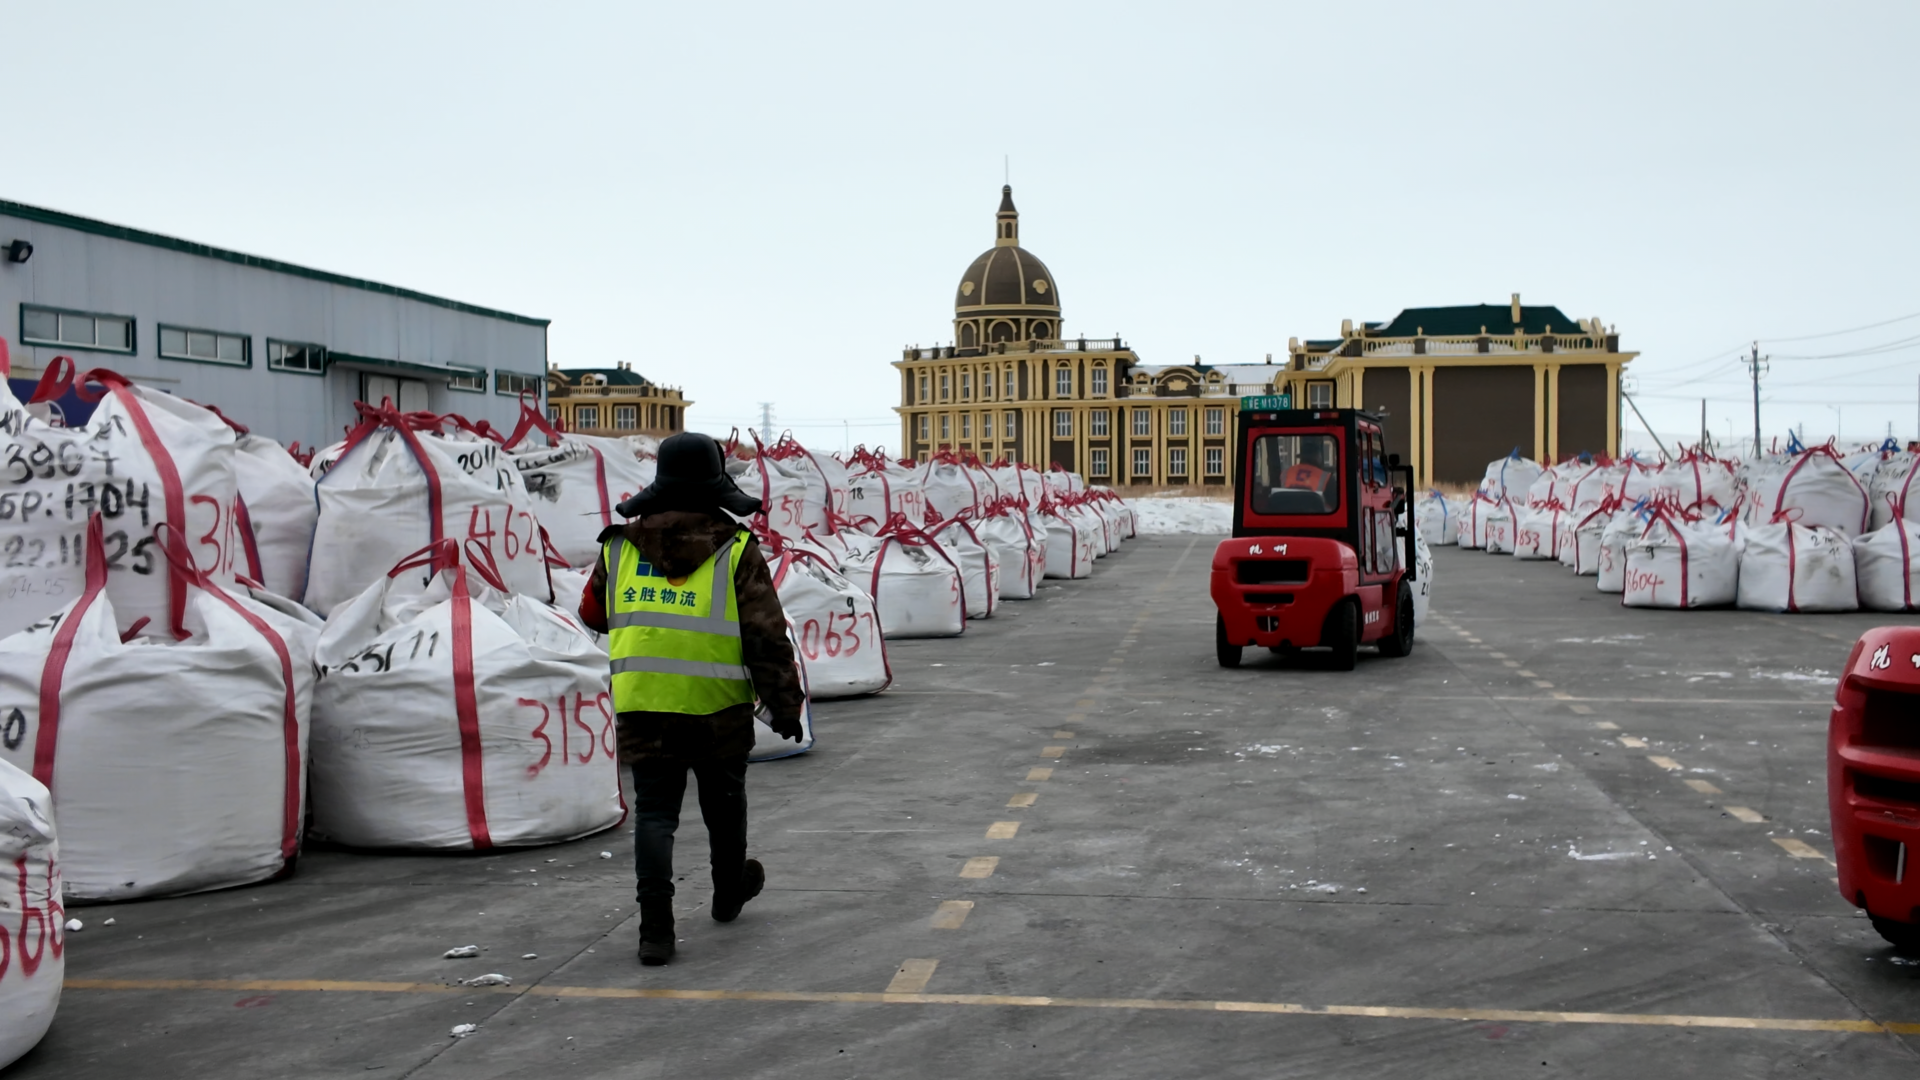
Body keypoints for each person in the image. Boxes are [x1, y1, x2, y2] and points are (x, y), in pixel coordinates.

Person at [578, 432, 805, 967]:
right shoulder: (736, 549)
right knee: (723, 805)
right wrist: (785, 704)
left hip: (642, 702)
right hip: (717, 704)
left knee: (655, 814)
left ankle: (655, 928)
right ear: (715, 488)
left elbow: (592, 615)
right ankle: (728, 892)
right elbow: (766, 636)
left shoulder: (617, 547)